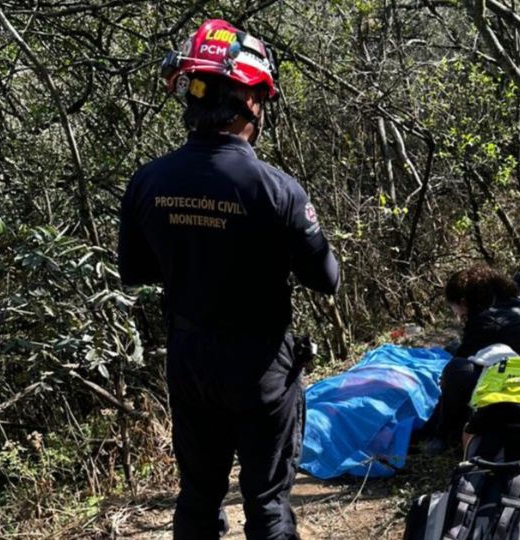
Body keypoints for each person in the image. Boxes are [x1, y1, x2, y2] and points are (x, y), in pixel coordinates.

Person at [118, 19, 339, 539]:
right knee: (266, 501)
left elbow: (136, 272)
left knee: (198, 494)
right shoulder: (277, 189)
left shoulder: (148, 181)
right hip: (260, 364)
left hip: (190, 360)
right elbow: (326, 277)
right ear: (249, 100)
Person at [421, 265, 520, 453]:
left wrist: (428, 427)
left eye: (454, 307)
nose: (456, 314)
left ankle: (442, 437)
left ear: (463, 302)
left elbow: (459, 366)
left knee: (457, 369)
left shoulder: (486, 321)